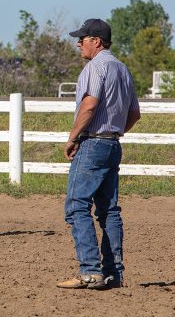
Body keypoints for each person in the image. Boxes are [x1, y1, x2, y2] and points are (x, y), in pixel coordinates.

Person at [57, 18, 141, 290]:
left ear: (97, 41)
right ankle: (113, 272)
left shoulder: (95, 67)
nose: (78, 43)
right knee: (110, 211)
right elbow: (134, 114)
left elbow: (90, 106)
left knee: (77, 206)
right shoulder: (122, 69)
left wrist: (73, 138)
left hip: (93, 143)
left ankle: (90, 270)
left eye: (83, 38)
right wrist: (114, 132)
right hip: (113, 144)